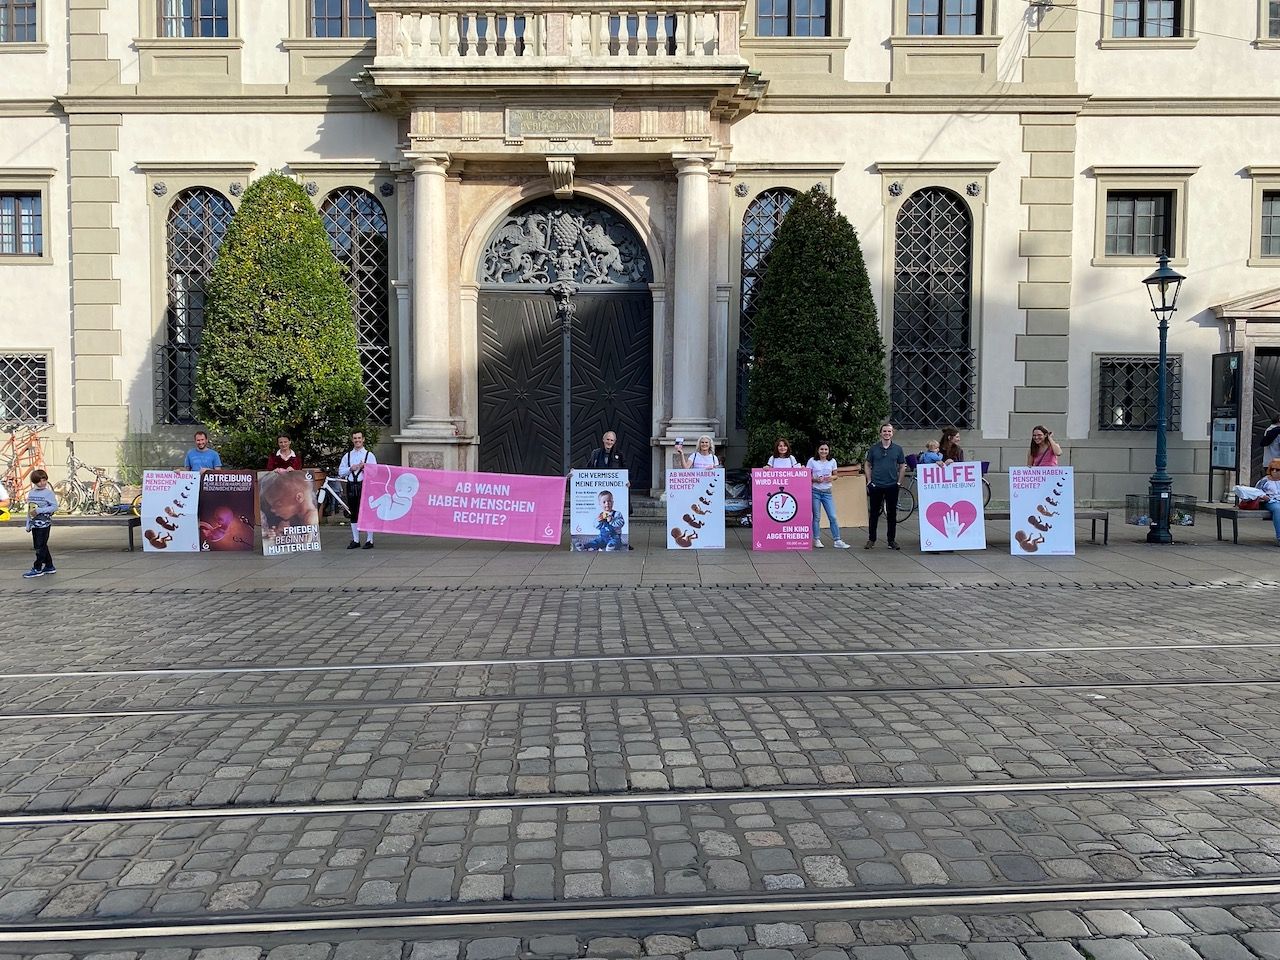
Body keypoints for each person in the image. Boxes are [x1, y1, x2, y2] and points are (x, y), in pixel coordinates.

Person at [863, 422, 906, 550]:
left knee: (892, 514)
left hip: (892, 485)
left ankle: (891, 540)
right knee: (874, 513)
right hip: (876, 485)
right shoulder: (874, 449)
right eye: (884, 431)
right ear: (880, 433)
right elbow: (867, 464)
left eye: (889, 431)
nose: (887, 433)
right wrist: (869, 481)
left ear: (892, 433)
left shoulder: (898, 449)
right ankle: (871, 539)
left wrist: (899, 482)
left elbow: (902, 466)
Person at [339, 430, 377, 549]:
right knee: (353, 512)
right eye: (355, 438)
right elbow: (341, 472)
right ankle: (356, 540)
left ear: (363, 439)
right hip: (351, 486)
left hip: (365, 486)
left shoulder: (369, 455)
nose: (357, 440)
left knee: (367, 512)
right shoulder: (347, 456)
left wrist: (365, 467)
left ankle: (370, 540)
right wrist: (351, 468)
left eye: (359, 438)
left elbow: (375, 472)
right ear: (352, 440)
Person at [808, 441, 849, 549]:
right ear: (818, 450)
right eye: (821, 449)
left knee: (832, 516)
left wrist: (831, 478)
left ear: (829, 451)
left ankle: (837, 540)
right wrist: (815, 479)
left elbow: (836, 475)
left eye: (826, 449)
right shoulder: (812, 461)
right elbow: (807, 476)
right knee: (816, 517)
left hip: (827, 492)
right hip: (815, 491)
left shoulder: (832, 461)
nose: (824, 451)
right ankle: (816, 539)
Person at [259, 470, 320, 538]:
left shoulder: (311, 518)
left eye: (278, 504)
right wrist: (278, 532)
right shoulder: (293, 515)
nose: (272, 509)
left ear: (299, 497)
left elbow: (308, 541)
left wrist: (289, 533)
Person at [23, 468, 57, 578]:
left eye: (44, 480)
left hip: (44, 524)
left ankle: (37, 567)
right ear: (35, 482)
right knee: (39, 545)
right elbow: (30, 509)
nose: (42, 483)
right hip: (35, 524)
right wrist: (28, 523)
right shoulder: (31, 493)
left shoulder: (48, 493)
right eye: (39, 481)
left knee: (40, 546)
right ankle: (49, 566)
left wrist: (40, 510)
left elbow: (54, 507)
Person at [1260, 458, 1280, 547]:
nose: (1274, 471)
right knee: (1278, 509)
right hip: (1270, 501)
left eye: (1277, 469)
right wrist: (1263, 496)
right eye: (1272, 469)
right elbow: (1256, 491)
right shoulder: (1265, 480)